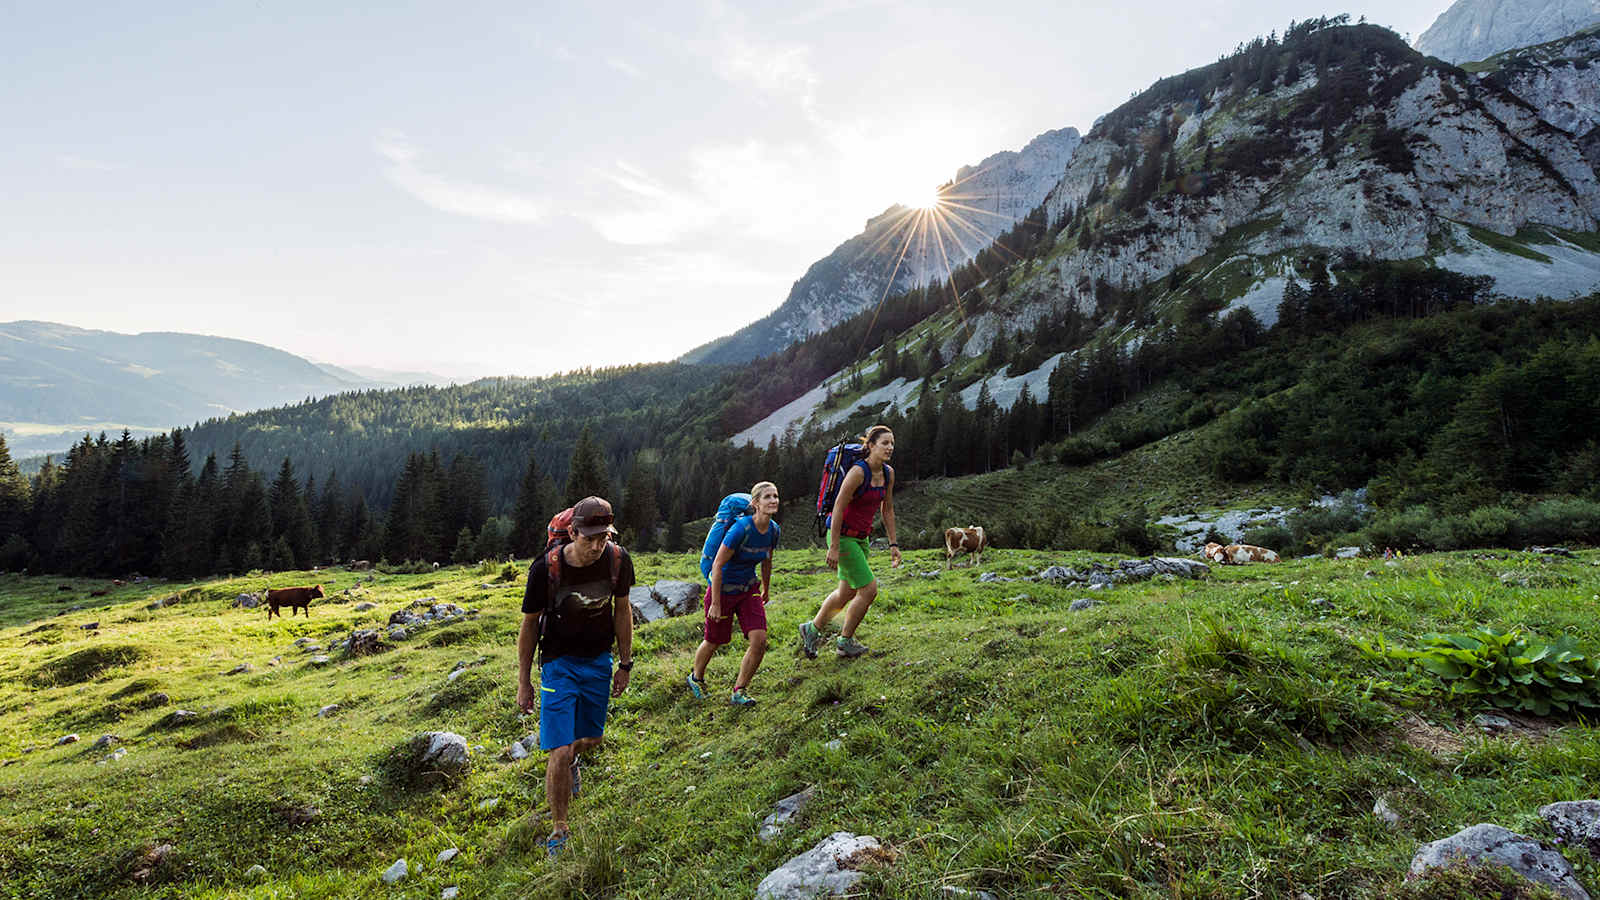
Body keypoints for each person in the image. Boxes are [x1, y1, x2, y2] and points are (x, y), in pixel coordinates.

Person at [515, 496, 635, 859]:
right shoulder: (546, 569)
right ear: (572, 533)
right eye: (590, 538)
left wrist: (625, 664)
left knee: (590, 739)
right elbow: (529, 625)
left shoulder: (617, 560)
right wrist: (524, 680)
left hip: (598, 660)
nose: (598, 546)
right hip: (558, 662)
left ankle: (571, 763)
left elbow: (623, 609)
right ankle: (559, 829)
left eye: (605, 537)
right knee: (560, 747)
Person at [800, 425, 900, 659]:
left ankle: (811, 630)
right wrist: (833, 546)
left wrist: (893, 544)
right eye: (885, 443)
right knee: (869, 589)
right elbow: (838, 507)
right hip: (843, 537)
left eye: (892, 443)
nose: (890, 447)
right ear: (871, 445)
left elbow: (888, 509)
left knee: (846, 592)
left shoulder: (888, 474)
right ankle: (845, 641)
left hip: (861, 538)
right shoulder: (858, 472)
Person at [688, 481, 780, 706]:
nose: (774, 500)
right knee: (713, 640)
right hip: (723, 590)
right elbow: (717, 566)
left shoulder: (773, 530)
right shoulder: (741, 529)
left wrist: (766, 587)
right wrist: (716, 603)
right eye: (767, 497)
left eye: (776, 496)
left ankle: (739, 691)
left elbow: (767, 560)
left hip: (749, 589)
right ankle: (696, 677)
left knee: (759, 640)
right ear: (755, 503)